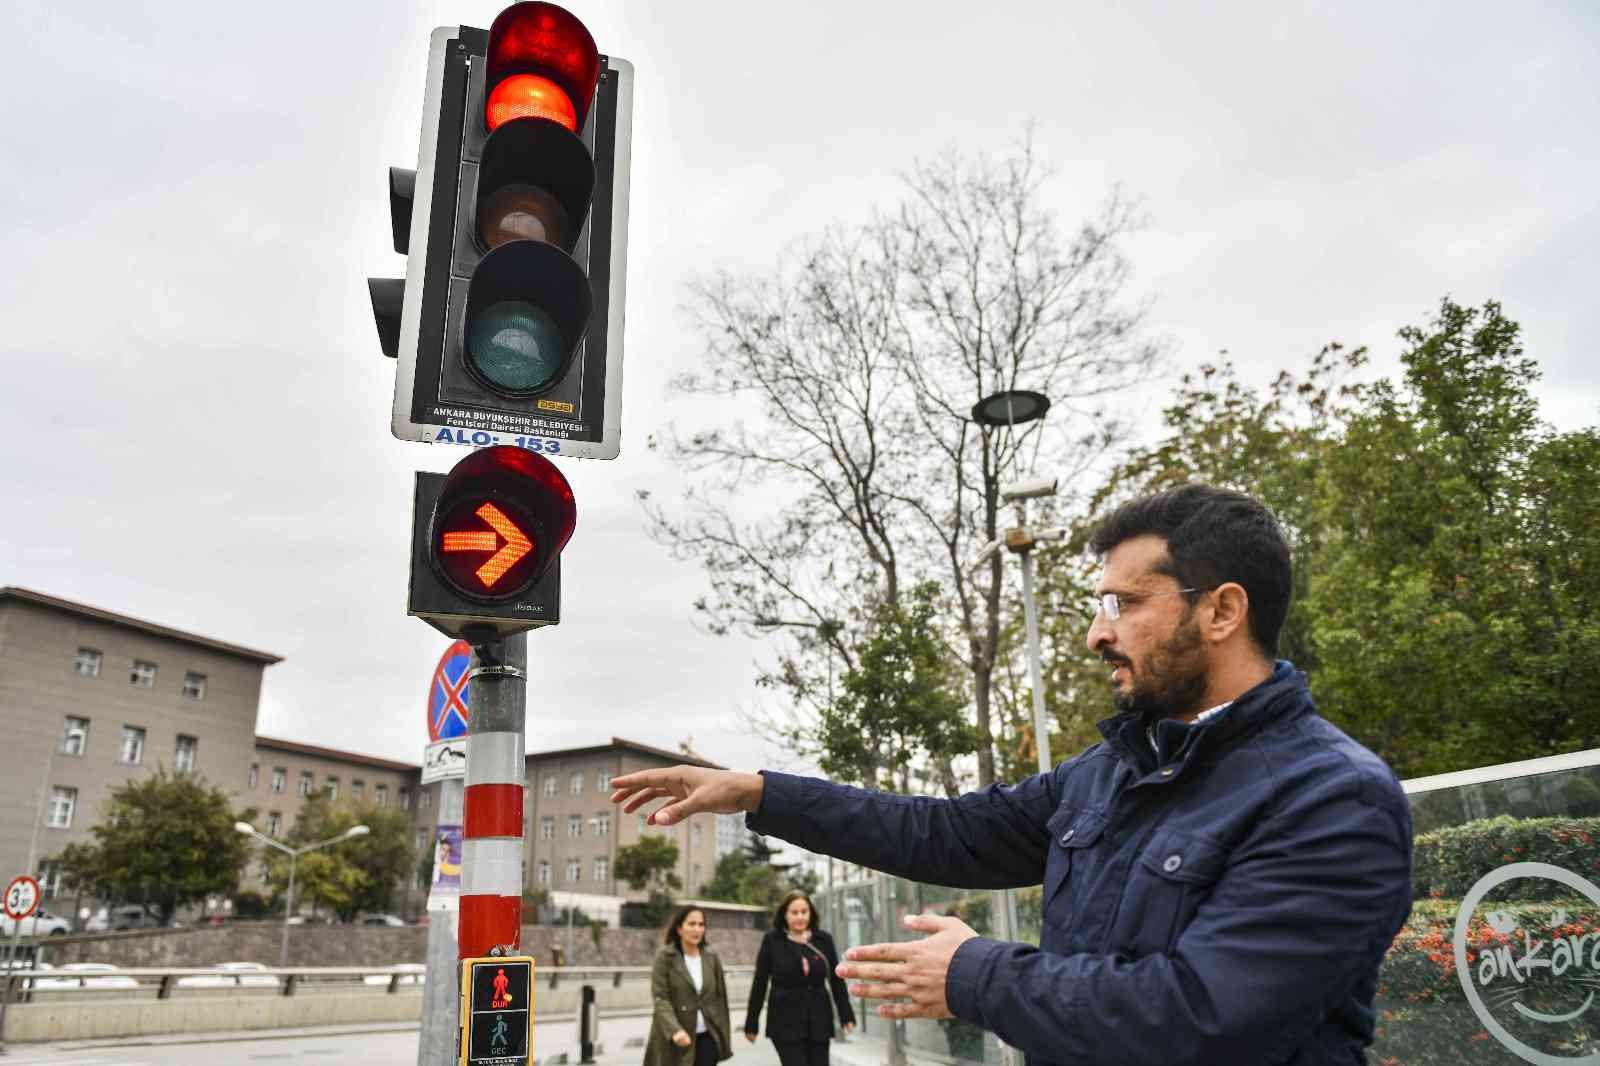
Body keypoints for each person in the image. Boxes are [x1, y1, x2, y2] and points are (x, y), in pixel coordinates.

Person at [611, 484, 1414, 1066]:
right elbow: (945, 833)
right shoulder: (1109, 772)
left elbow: (1198, 1019)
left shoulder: (1333, 798)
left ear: (1222, 611)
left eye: (1123, 604)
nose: (1098, 636)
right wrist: (762, 791)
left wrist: (973, 973)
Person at [744, 891, 856, 1066]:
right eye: (794, 912)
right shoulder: (772, 941)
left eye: (804, 912)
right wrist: (752, 1023)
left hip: (819, 1021)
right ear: (785, 914)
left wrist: (846, 1014)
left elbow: (836, 981)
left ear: (811, 913)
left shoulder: (823, 940)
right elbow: (760, 983)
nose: (800, 917)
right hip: (784, 1022)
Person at [645, 905, 734, 1066]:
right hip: (677, 1039)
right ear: (679, 929)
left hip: (707, 1037)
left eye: (701, 925)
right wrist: (675, 1030)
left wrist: (722, 1035)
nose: (697, 929)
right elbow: (661, 998)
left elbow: (720, 998)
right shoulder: (665, 957)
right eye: (691, 924)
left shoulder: (711, 957)